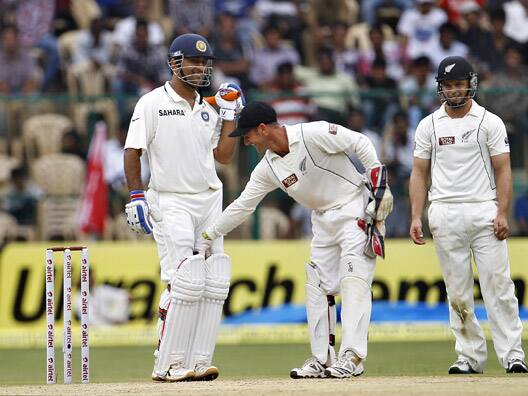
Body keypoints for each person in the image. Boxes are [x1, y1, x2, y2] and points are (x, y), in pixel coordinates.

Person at [199, 101, 393, 379]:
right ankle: (322, 359)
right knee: (317, 284)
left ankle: (352, 357)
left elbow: (359, 142)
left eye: (248, 135)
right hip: (322, 221)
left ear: (263, 128)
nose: (246, 141)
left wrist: (378, 182)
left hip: (354, 207)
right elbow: (243, 205)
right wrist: (210, 234)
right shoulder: (268, 168)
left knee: (354, 280)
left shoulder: (312, 133)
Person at [123, 33, 245, 382]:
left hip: (209, 198)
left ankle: (198, 360)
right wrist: (136, 195)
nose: (199, 67)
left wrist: (229, 116)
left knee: (213, 281)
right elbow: (133, 151)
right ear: (174, 63)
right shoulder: (150, 103)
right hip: (170, 198)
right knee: (183, 280)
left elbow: (223, 156)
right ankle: (168, 363)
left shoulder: (208, 108)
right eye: (192, 61)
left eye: (204, 62)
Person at [409, 56, 528, 375]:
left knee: (498, 286)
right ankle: (469, 356)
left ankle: (512, 354)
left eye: (458, 84)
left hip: (483, 210)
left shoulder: (490, 121)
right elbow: (419, 173)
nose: (453, 90)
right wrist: (416, 217)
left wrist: (502, 211)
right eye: (447, 85)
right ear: (440, 88)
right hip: (444, 213)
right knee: (457, 292)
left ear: (470, 84)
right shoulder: (429, 125)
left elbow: (503, 169)